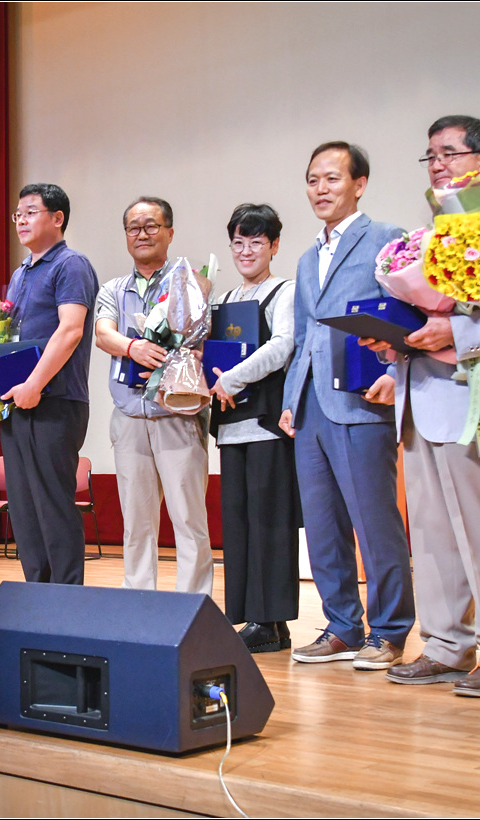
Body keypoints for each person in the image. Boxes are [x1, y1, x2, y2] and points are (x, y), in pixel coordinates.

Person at [364, 117, 480, 696]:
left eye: (449, 153)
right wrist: (397, 339)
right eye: (430, 155)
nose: (437, 163)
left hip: (472, 397)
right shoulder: (433, 234)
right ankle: (445, 644)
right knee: (432, 534)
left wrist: (450, 332)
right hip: (420, 395)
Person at [278, 142, 414, 670]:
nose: (321, 189)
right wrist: (291, 400)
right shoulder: (307, 256)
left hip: (360, 400)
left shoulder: (385, 239)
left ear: (360, 184)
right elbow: (304, 337)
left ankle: (390, 630)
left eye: (332, 179)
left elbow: (405, 316)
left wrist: (393, 374)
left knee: (374, 521)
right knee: (321, 524)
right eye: (313, 179)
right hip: (311, 405)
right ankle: (341, 626)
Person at [0, 183, 99, 585]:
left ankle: (65, 600)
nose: (21, 221)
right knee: (24, 508)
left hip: (55, 400)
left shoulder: (71, 265)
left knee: (52, 504)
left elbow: (70, 330)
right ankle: (36, 595)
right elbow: (12, 337)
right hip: (17, 401)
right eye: (18, 214)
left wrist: (35, 384)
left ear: (57, 218)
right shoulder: (21, 272)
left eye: (31, 212)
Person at [93, 197, 213, 596]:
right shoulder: (113, 289)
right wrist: (133, 347)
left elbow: (201, 341)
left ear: (169, 233)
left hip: (177, 415)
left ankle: (193, 605)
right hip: (129, 417)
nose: (141, 234)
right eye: (134, 227)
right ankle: (138, 600)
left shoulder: (189, 283)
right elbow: (103, 334)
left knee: (188, 519)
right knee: (136, 522)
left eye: (151, 226)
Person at [208, 204, 299, 653]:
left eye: (257, 242)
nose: (246, 251)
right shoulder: (224, 299)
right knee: (239, 524)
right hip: (231, 426)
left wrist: (231, 378)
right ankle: (255, 620)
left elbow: (283, 347)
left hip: (266, 424)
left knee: (270, 523)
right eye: (238, 242)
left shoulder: (285, 291)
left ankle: (272, 619)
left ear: (274, 246)